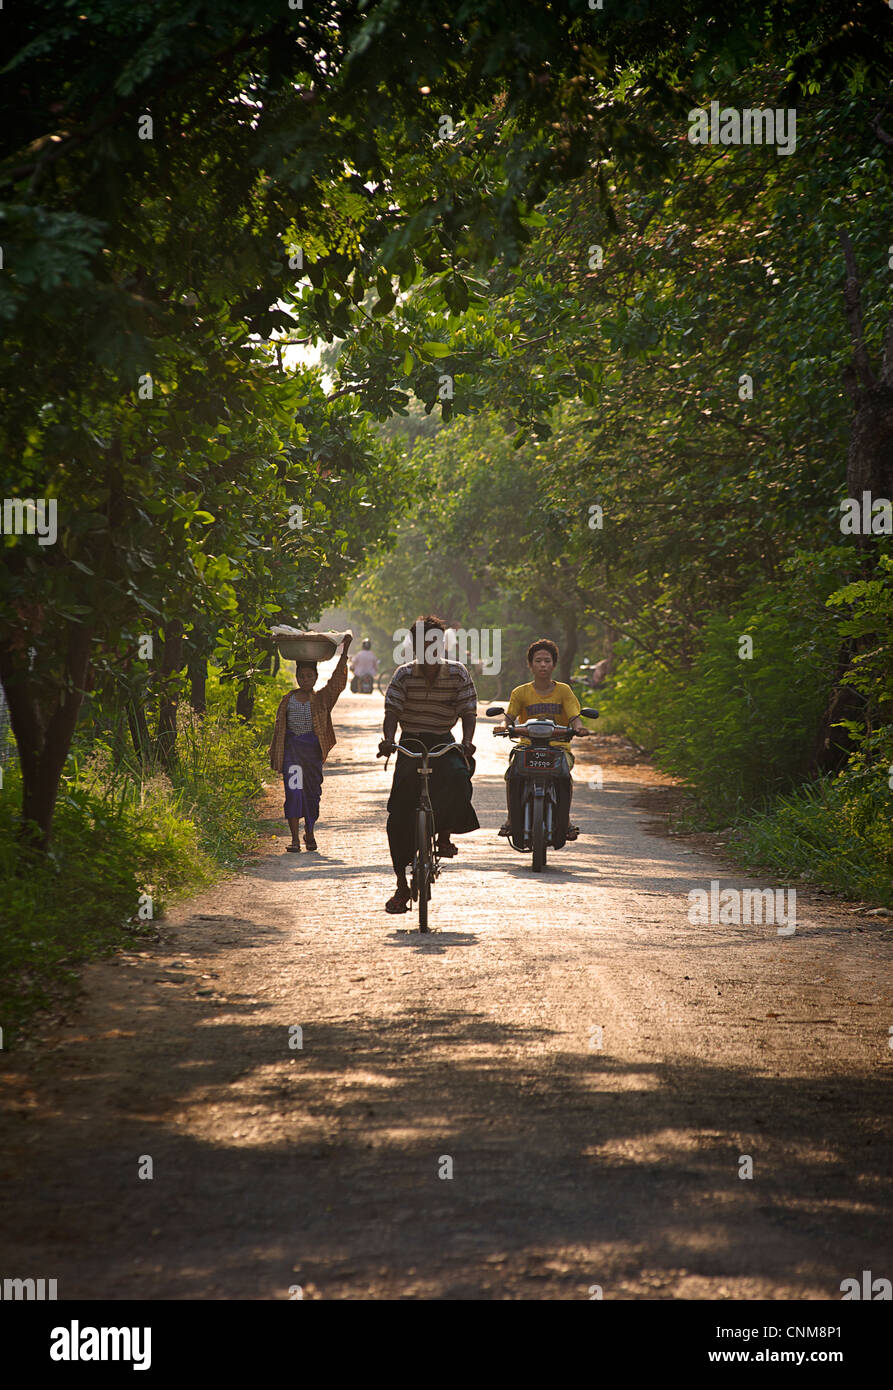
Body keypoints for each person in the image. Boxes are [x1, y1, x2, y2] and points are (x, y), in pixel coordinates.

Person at [378, 614, 479, 913]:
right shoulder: (404, 674)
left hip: (443, 740)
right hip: (410, 742)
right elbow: (392, 712)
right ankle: (400, 885)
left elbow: (468, 711)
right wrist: (388, 741)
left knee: (459, 776)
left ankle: (444, 834)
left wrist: (467, 742)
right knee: (397, 813)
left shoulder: (458, 673)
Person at [499, 638, 589, 847]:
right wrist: (504, 725)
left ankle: (564, 820)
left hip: (558, 749)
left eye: (547, 661)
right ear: (530, 665)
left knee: (565, 778)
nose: (543, 665)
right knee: (512, 775)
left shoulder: (564, 691)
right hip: (526, 747)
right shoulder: (520, 692)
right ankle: (512, 818)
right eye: (538, 661)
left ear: (554, 665)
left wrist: (579, 728)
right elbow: (509, 716)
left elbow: (574, 716)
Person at [268, 633, 352, 852]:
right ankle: (295, 839)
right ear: (297, 677)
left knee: (312, 796)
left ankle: (310, 833)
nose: (305, 680)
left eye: (309, 676)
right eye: (302, 676)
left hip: (312, 757)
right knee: (294, 793)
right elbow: (279, 732)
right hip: (293, 757)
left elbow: (337, 683)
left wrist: (344, 653)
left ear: (315, 678)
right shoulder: (287, 699)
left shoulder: (322, 699)